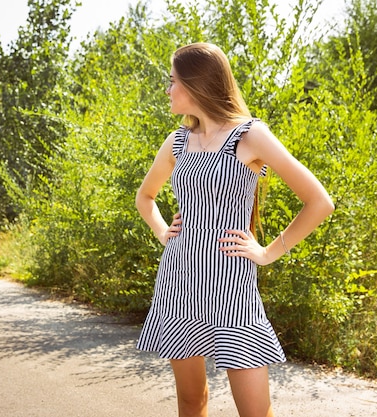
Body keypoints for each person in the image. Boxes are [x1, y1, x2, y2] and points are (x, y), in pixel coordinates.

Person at [135, 43, 334, 417]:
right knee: (191, 402)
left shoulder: (250, 135)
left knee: (255, 412)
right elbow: (145, 196)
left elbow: (319, 201)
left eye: (173, 81)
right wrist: (164, 232)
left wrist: (268, 252)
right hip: (178, 282)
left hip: (232, 285)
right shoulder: (178, 140)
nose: (168, 89)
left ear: (196, 84)